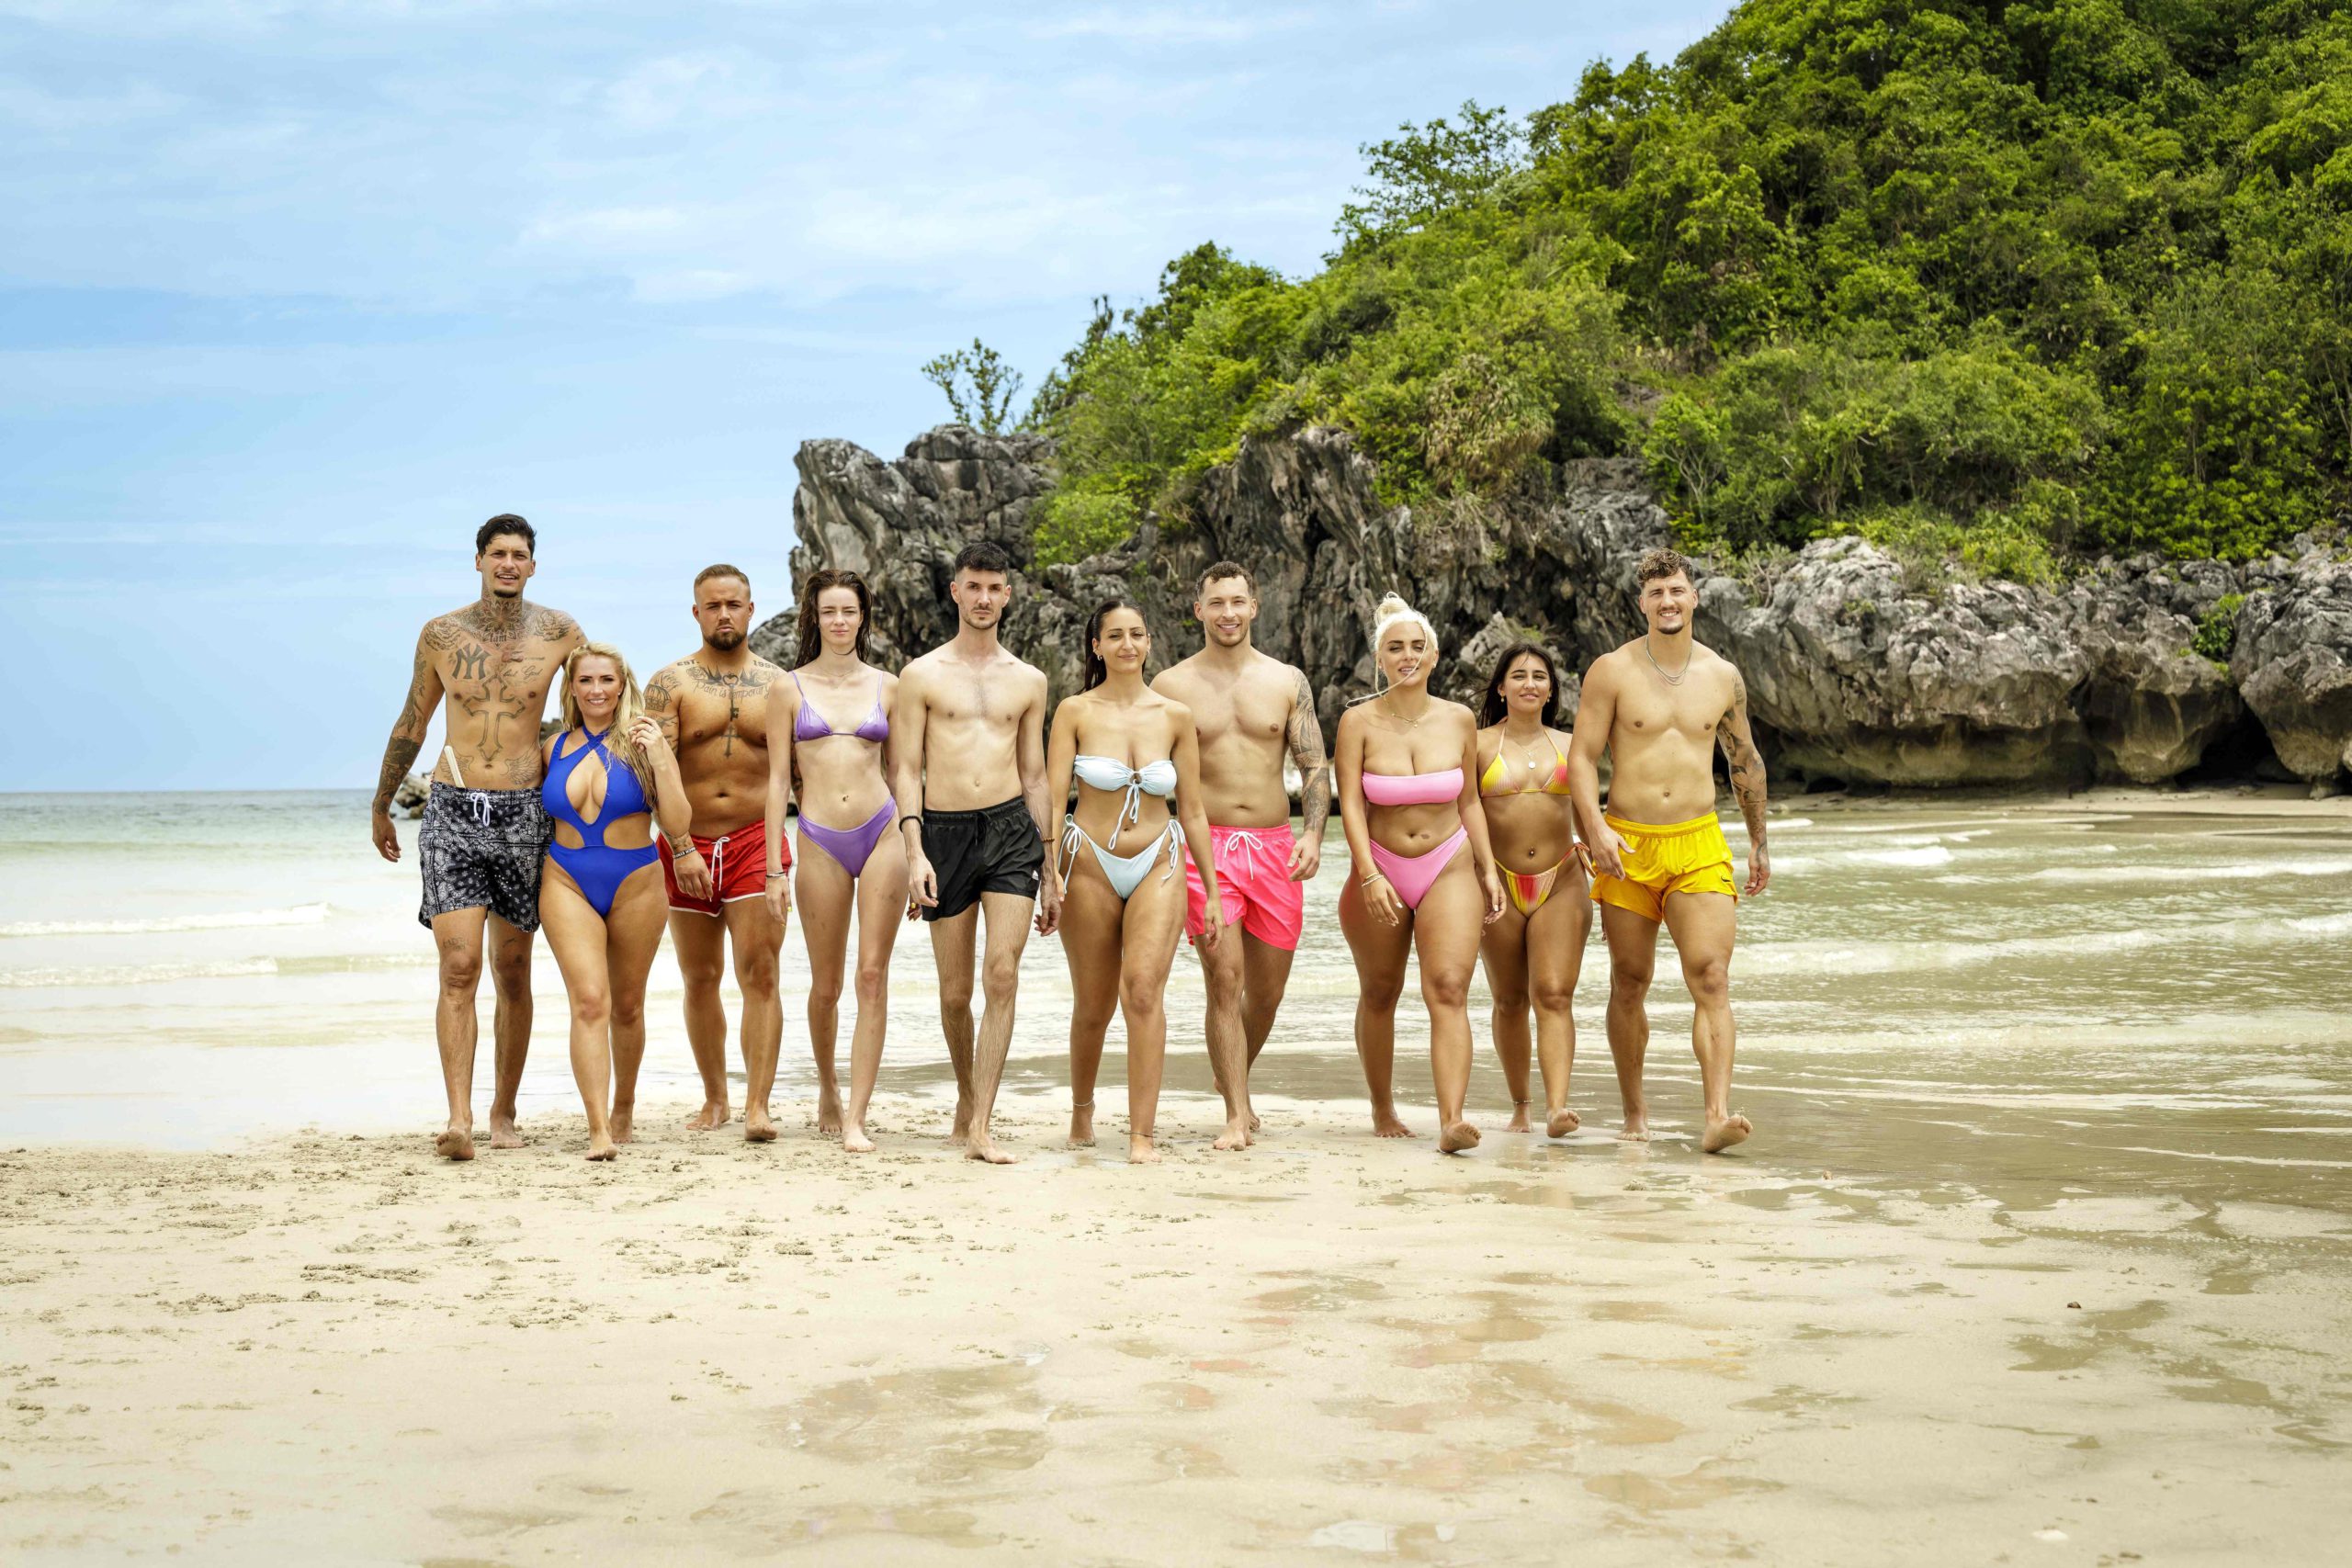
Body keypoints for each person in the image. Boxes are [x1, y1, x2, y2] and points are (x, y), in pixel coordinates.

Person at [368, 514, 582, 1161]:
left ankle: (502, 1111)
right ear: (479, 561)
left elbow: (591, 713)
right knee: (458, 967)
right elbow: (413, 719)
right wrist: (382, 802)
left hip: (524, 812)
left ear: (533, 566)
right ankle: (458, 1117)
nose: (508, 564)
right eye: (497, 553)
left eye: (519, 554)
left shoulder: (561, 633)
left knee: (512, 969)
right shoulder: (441, 633)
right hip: (453, 808)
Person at [1567, 547, 1771, 1154]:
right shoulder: (1612, 670)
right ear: (1642, 602)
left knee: (1711, 974)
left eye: (1677, 590)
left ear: (1695, 597)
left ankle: (1716, 1115)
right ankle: (1635, 1112)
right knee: (1630, 980)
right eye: (1656, 592)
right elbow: (1581, 758)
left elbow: (1744, 758)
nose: (1668, 601)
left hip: (1698, 839)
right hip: (1627, 843)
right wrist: (1595, 830)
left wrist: (1758, 840)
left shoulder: (1723, 676)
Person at [1151, 561, 1327, 1151]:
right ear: (1198, 610)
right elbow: (1146, 771)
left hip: (1276, 847)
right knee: (1224, 980)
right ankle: (1235, 1112)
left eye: (1237, 602)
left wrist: (1313, 835)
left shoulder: (1286, 680)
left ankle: (1232, 1075)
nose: (1227, 613)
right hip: (1207, 848)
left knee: (1267, 993)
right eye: (1216, 603)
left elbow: (1313, 765)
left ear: (1253, 607)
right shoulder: (1170, 686)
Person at [893, 542, 1059, 1165]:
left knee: (1003, 974)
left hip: (1012, 830)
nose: (984, 598)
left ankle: (982, 1124)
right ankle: (966, 1096)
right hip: (944, 831)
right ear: (955, 591)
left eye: (994, 587)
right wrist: (914, 851)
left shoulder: (1030, 680)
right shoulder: (921, 675)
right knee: (955, 992)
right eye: (973, 586)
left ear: (1007, 595)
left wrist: (1051, 867)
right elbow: (906, 769)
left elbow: (1036, 775)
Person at [1047, 599, 1226, 1164]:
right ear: (1096, 646)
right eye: (1115, 636)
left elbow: (1192, 809)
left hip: (1159, 861)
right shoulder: (1074, 711)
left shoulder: (1175, 716)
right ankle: (1081, 1110)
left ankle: (1141, 1135)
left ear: (1149, 642)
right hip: (1088, 861)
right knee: (1093, 1004)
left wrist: (1212, 892)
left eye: (1137, 634)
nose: (1128, 644)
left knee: (1144, 991)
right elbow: (1053, 799)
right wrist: (1047, 872)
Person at [1333, 593, 1505, 1153]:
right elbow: (1350, 805)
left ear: (1433, 655)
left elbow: (1471, 801)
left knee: (1449, 988)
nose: (1407, 656)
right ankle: (1383, 1108)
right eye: (1395, 648)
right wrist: (1367, 873)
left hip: (1448, 863)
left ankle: (1452, 1119)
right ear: (1379, 658)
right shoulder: (1357, 721)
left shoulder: (1459, 719)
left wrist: (1488, 869)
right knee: (1380, 991)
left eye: (1417, 646)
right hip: (1379, 864)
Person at [537, 644, 703, 1159]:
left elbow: (677, 822)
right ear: (571, 688)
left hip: (636, 881)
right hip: (566, 879)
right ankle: (597, 1130)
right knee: (590, 1001)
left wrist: (661, 758)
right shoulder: (552, 747)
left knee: (627, 1006)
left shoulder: (643, 742)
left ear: (622, 684)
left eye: (606, 680)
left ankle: (624, 1106)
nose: (596, 690)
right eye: (585, 680)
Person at [764, 569, 908, 1153]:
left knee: (872, 975)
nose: (840, 621)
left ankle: (857, 1117)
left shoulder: (889, 686)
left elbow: (904, 773)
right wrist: (774, 868)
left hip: (884, 833)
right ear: (815, 618)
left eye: (849, 611)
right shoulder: (787, 688)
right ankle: (827, 1086)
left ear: (862, 616)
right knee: (825, 985)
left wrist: (919, 850)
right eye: (829, 611)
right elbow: (778, 781)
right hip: (818, 837)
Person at [643, 566, 786, 1144]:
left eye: (733, 604)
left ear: (751, 609)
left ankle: (758, 1105)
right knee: (700, 976)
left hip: (755, 839)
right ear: (696, 612)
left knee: (762, 973)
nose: (724, 614)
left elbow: (801, 773)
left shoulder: (781, 685)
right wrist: (681, 848)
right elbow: (655, 774)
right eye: (712, 605)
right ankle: (715, 1097)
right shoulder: (669, 683)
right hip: (688, 843)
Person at [1474, 643, 1592, 1139]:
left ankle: (1557, 1108)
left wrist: (1606, 870)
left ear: (1551, 689)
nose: (1529, 683)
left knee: (1554, 993)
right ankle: (1521, 1106)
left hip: (1561, 879)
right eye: (1519, 675)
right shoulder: (1477, 744)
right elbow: (1462, 810)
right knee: (1508, 999)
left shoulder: (1571, 744)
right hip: (1495, 882)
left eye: (1539, 676)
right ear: (1501, 687)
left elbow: (1588, 813)